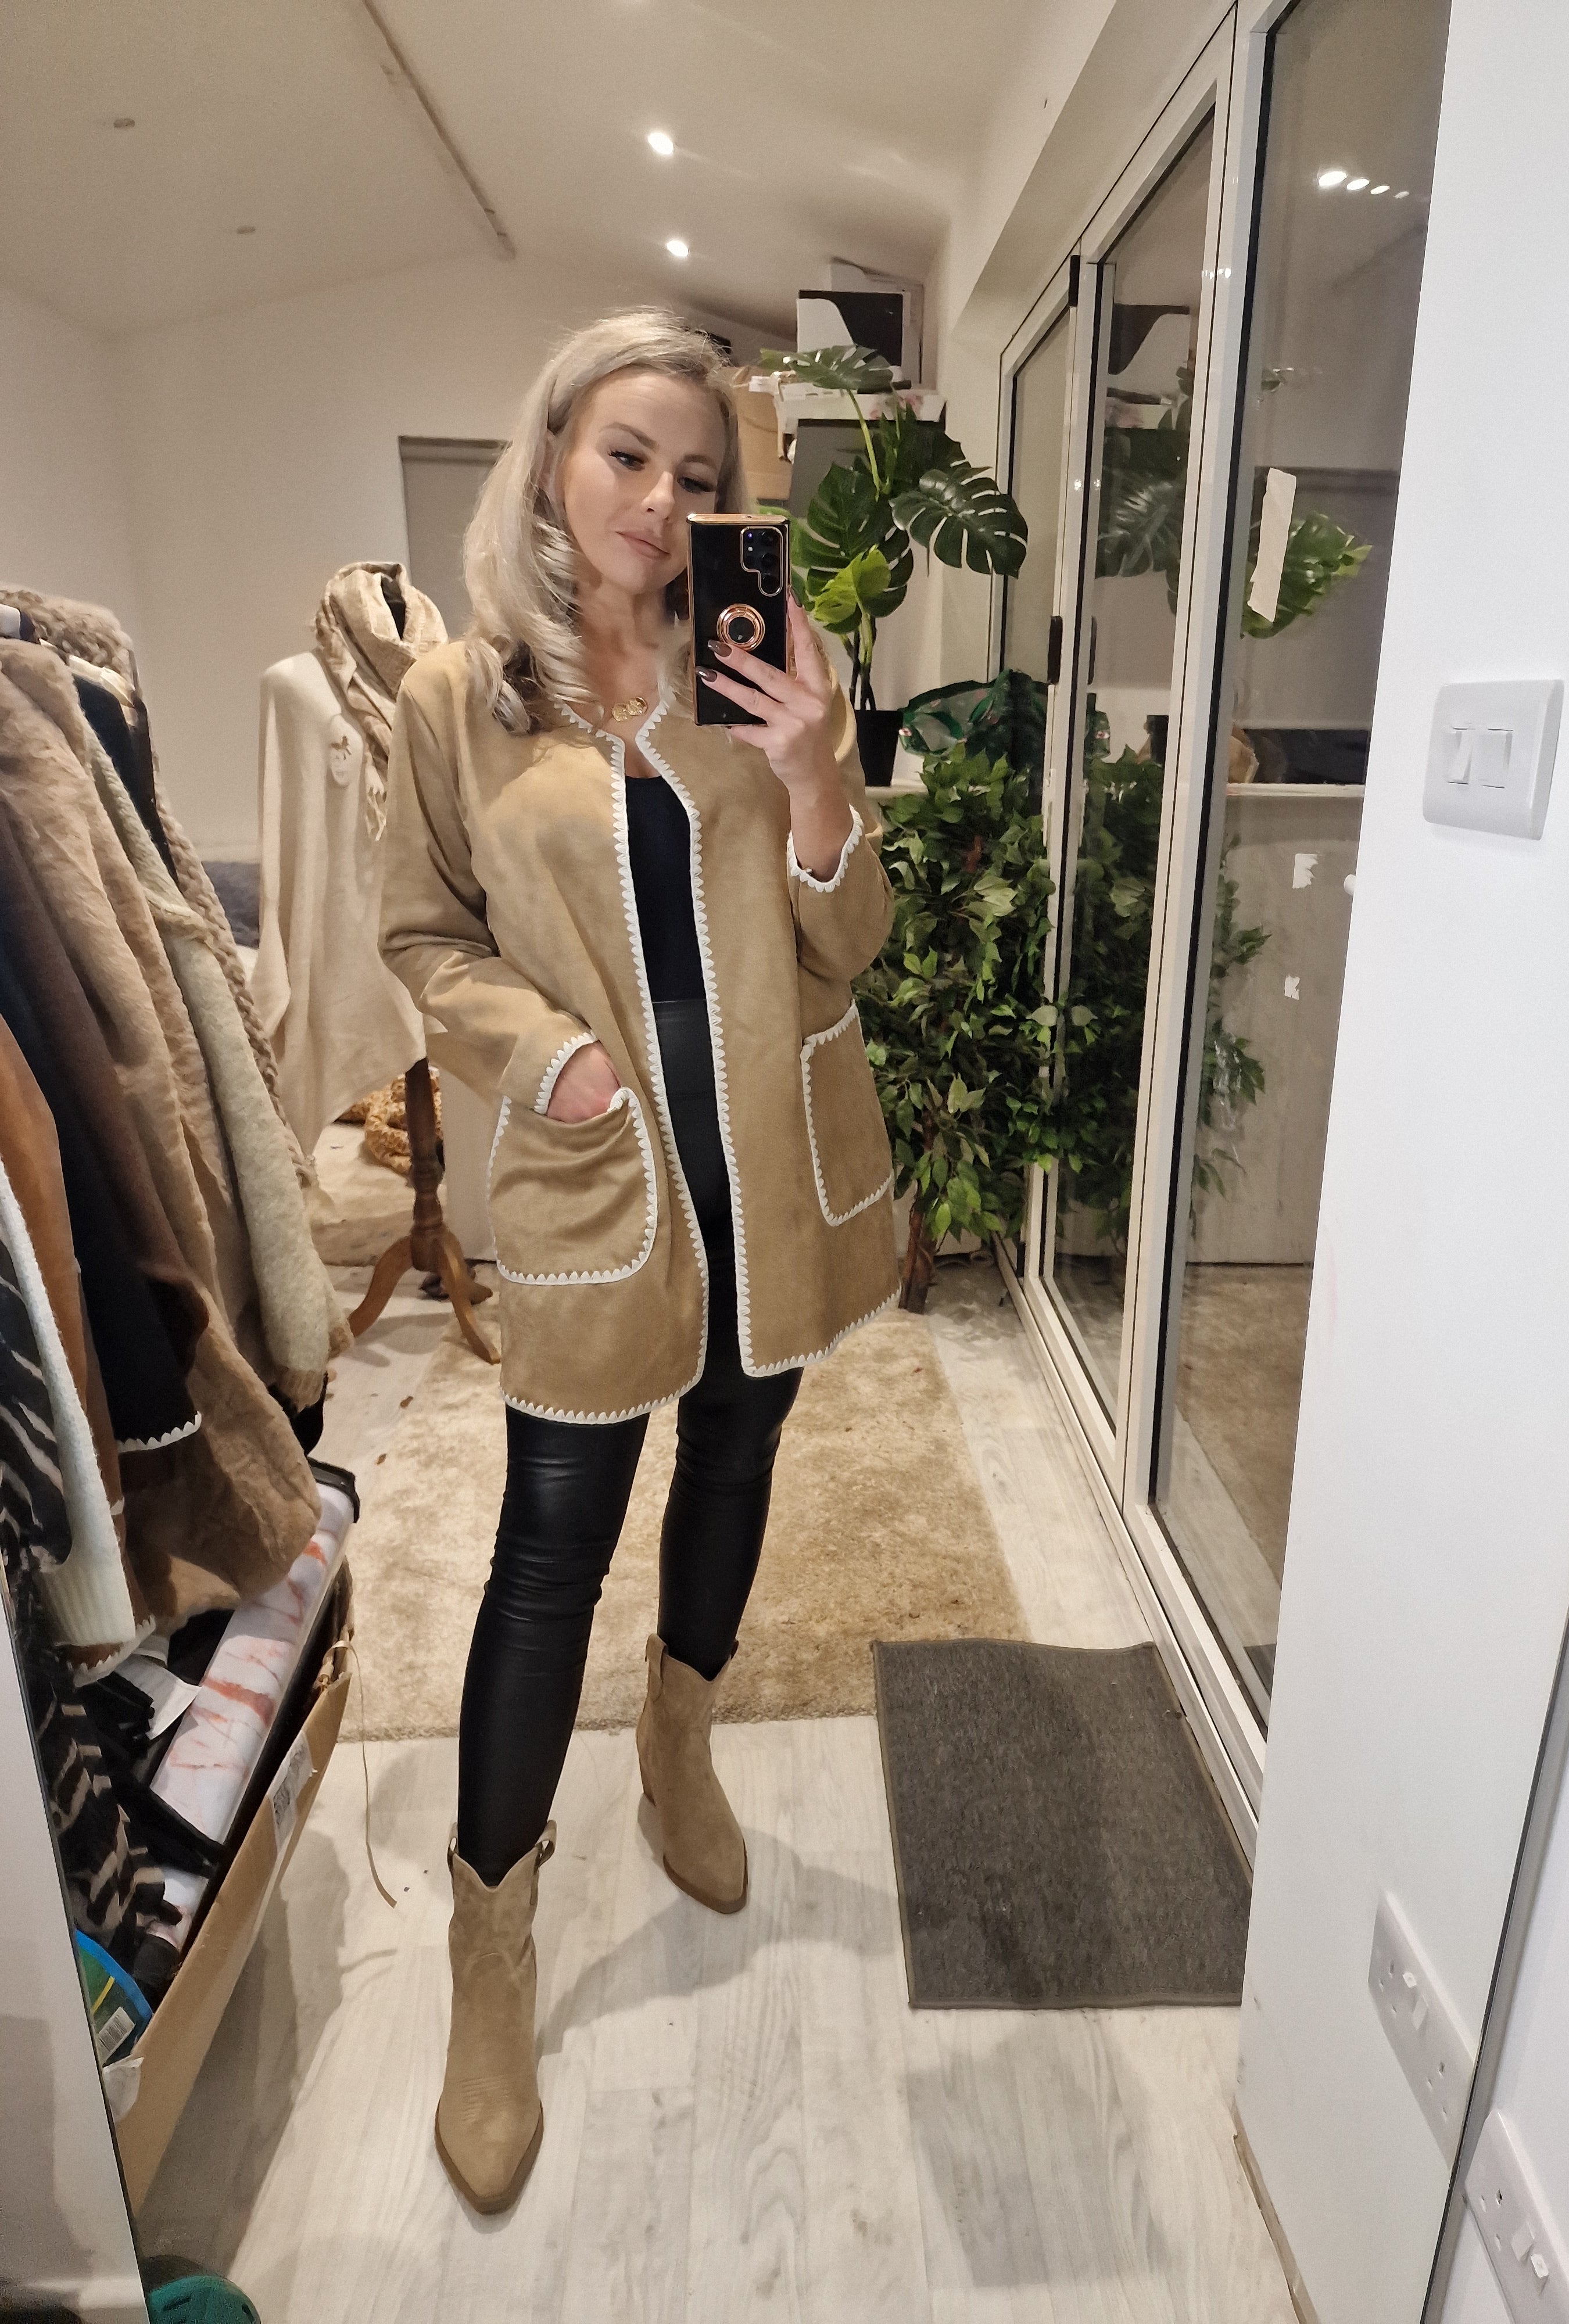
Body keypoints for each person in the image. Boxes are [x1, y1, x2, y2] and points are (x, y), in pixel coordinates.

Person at [379, 310, 898, 2213]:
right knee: (547, 1548)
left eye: (700, 476)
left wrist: (822, 775)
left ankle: (682, 1746)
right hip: (605, 1180)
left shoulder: (762, 666)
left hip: (770, 1168)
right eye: (628, 457)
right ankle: (491, 1944)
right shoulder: (460, 698)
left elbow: (848, 944)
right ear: (551, 454)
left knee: (739, 1462)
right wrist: (556, 1062)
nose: (663, 504)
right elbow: (424, 938)